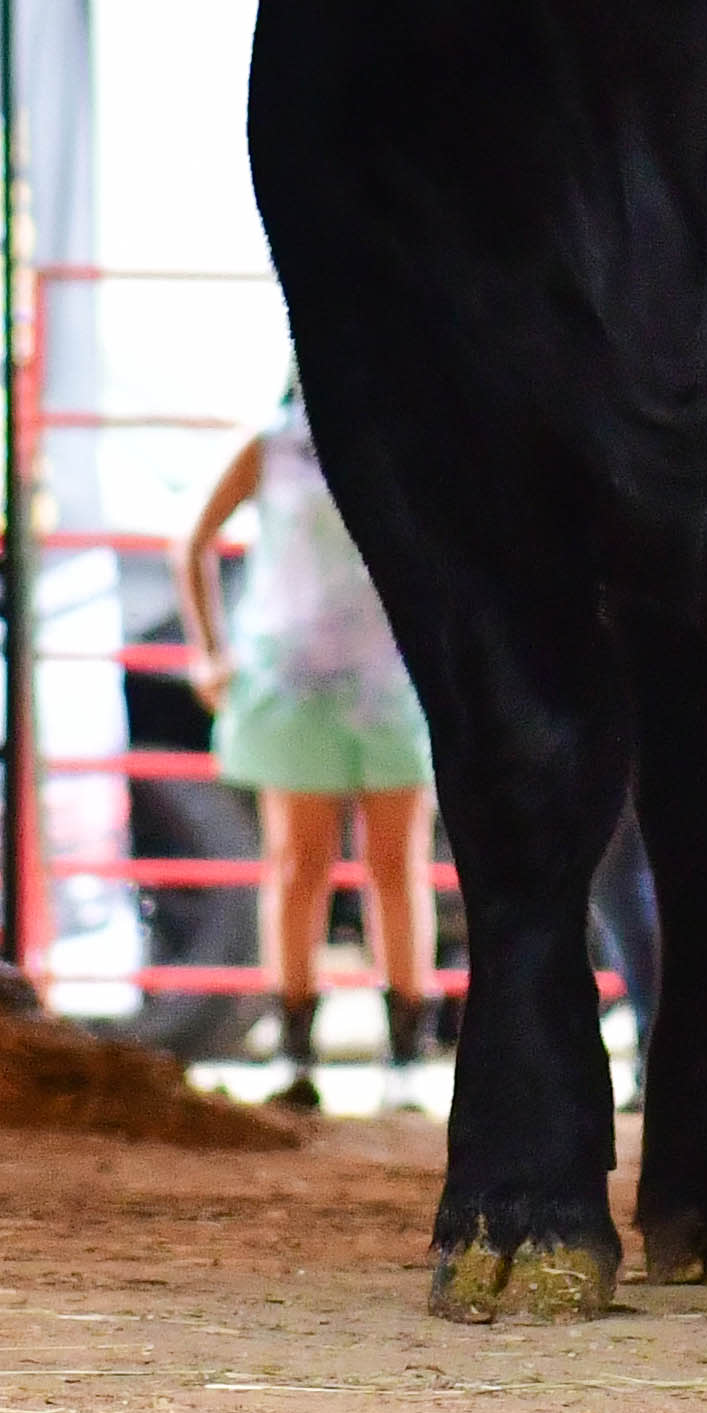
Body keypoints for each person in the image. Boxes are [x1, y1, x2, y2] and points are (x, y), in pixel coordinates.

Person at [176, 395, 440, 1108]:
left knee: (395, 863)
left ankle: (407, 1056)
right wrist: (209, 652)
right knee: (298, 862)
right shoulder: (271, 447)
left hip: (391, 680)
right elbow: (195, 539)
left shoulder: (413, 435)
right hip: (294, 681)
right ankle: (295, 1050)